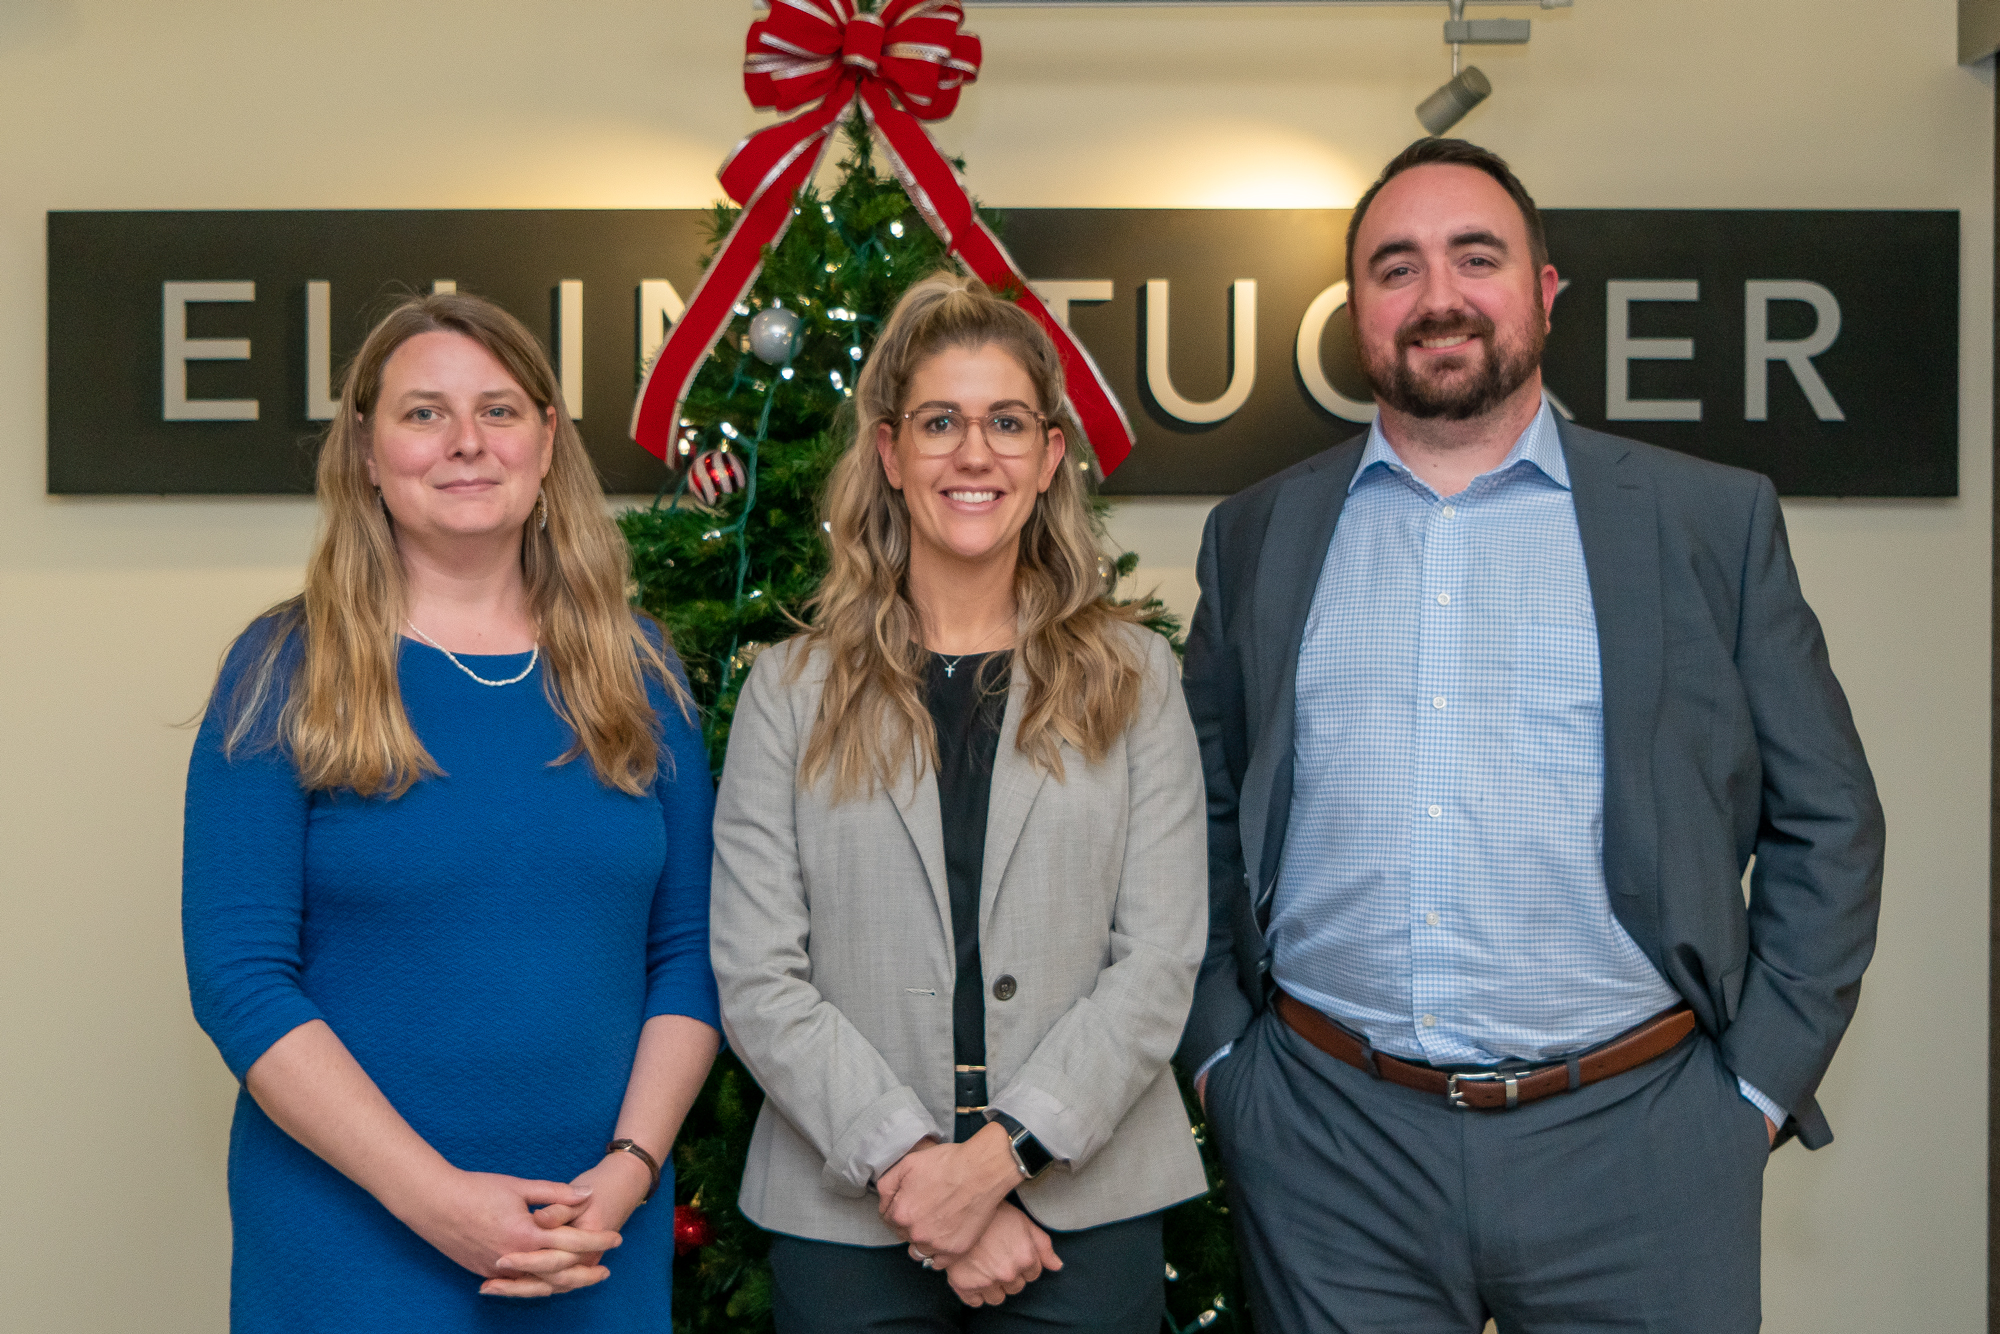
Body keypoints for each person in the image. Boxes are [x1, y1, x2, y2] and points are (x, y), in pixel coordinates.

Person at [1179, 137, 1885, 1333]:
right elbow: (1188, 806)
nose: (1438, 295)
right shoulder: (1257, 533)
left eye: (1476, 256)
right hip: (1327, 1145)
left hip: (1641, 1140)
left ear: (1543, 293)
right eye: (1395, 267)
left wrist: (1749, 1090)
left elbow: (1828, 818)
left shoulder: (1706, 522)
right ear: (1356, 308)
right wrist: (1221, 1066)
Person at [182, 292, 721, 1332]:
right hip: (350, 1244)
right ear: (367, 453)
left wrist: (627, 1171)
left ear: (547, 440)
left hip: (590, 1240)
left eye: (500, 409)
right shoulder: (282, 668)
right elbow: (241, 979)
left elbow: (689, 953)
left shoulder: (639, 670)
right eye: (424, 412)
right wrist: (432, 1197)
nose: (467, 442)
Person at [710, 273, 1208, 1332]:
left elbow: (1159, 961)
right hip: (848, 1208)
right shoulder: (787, 691)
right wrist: (918, 1167)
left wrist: (1000, 1158)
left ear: (1048, 454)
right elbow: (757, 972)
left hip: (1087, 1196)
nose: (972, 453)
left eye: (1004, 422)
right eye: (939, 421)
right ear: (889, 454)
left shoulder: (1134, 675)